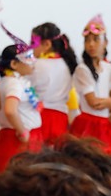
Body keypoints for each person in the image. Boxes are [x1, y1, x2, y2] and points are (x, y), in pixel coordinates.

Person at [69, 14, 111, 158]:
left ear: (105, 42)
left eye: (96, 40)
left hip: (104, 125)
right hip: (87, 124)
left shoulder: (108, 68)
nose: (91, 44)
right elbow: (93, 103)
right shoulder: (82, 69)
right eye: (87, 40)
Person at [0, 40, 41, 173]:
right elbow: (10, 110)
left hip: (17, 138)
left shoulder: (10, 81)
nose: (33, 61)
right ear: (14, 64)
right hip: (18, 141)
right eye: (28, 58)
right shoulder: (14, 84)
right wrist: (23, 132)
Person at [28, 22, 78, 150]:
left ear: (46, 44)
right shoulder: (67, 64)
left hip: (40, 118)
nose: (30, 48)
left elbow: (27, 90)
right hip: (61, 119)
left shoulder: (38, 64)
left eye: (33, 43)